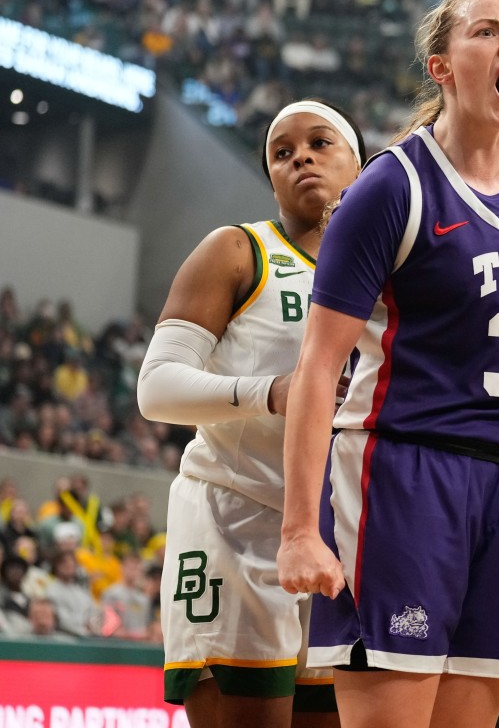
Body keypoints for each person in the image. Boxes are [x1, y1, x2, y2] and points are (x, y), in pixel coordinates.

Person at [275, 0, 499, 728]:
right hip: (403, 475)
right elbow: (317, 369)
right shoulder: (392, 186)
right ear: (441, 66)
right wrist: (300, 530)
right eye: (489, 31)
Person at [138, 97, 366, 727]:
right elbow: (155, 388)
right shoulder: (238, 251)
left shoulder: (386, 279)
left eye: (321, 144)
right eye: (283, 152)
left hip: (337, 533)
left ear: (361, 166)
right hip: (231, 520)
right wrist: (270, 391)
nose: (302, 158)